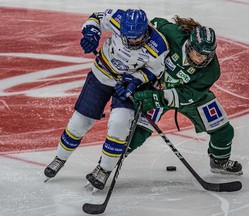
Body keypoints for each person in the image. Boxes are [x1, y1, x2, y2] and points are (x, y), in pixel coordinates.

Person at [44, 8, 169, 190]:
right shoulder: (117, 17)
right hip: (101, 76)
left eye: (138, 37)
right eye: (129, 37)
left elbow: (154, 70)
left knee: (119, 124)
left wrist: (135, 81)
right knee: (79, 122)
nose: (133, 41)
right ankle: (59, 158)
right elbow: (95, 18)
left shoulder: (159, 44)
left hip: (127, 87)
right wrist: (91, 34)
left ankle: (104, 170)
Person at [129, 16, 243, 176]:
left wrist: (157, 98)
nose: (202, 59)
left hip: (185, 96)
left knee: (223, 131)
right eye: (199, 53)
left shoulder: (212, 70)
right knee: (136, 132)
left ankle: (219, 161)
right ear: (189, 45)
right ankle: (107, 164)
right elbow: (151, 24)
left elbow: (190, 94)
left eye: (207, 55)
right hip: (155, 86)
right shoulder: (172, 34)